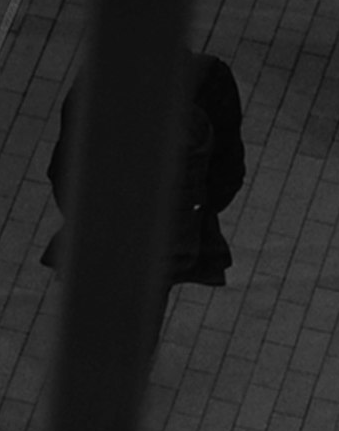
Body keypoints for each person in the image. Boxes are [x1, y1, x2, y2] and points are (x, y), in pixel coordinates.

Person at [46, 50, 248, 282]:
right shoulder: (209, 76)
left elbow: (63, 169)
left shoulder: (98, 76)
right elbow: (228, 172)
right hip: (170, 246)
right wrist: (192, 212)